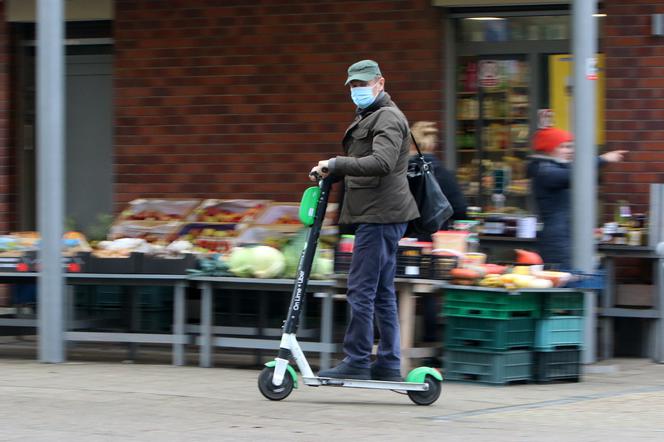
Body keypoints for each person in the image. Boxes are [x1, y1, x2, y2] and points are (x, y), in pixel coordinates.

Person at [309, 60, 419, 381]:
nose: (357, 90)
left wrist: (335, 163)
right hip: (378, 213)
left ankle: (357, 359)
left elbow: (382, 162)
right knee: (381, 291)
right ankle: (387, 364)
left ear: (380, 83)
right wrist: (334, 169)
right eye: (353, 85)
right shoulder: (371, 116)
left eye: (363, 84)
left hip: (381, 215)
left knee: (360, 288)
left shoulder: (387, 117)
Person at [526, 127, 626, 269]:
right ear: (549, 149)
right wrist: (603, 159)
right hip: (558, 242)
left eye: (570, 146)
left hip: (565, 237)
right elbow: (574, 174)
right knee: (566, 282)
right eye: (564, 147)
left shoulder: (553, 168)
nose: (570, 150)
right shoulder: (545, 171)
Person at [409, 121, 467, 347]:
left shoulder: (402, 172)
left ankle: (385, 338)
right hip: (439, 242)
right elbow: (461, 209)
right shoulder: (444, 173)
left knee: (391, 289)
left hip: (404, 241)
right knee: (431, 291)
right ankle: (431, 340)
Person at [409, 121, 468, 232]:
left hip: (403, 241)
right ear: (433, 145)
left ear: (411, 145)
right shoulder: (445, 175)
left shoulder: (401, 174)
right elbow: (460, 211)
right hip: (436, 240)